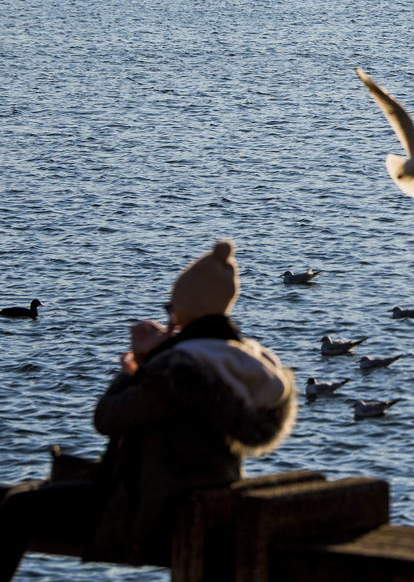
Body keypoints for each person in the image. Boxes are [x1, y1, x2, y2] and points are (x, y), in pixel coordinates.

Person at [0, 240, 296, 580]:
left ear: (182, 312)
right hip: (209, 497)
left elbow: (108, 418)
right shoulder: (247, 363)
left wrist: (139, 363)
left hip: (155, 506)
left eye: (171, 307)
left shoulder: (180, 369)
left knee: (17, 506)